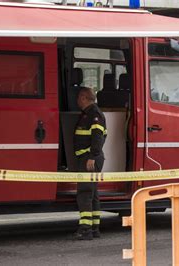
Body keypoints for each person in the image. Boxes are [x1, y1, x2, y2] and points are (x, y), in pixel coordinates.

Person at [74, 87, 107, 240]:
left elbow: (98, 137)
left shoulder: (94, 114)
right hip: (88, 157)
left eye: (78, 98)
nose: (77, 101)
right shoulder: (88, 113)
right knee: (92, 195)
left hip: (90, 159)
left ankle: (86, 229)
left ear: (83, 97)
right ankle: (94, 228)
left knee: (85, 193)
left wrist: (92, 157)